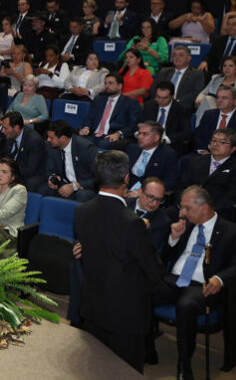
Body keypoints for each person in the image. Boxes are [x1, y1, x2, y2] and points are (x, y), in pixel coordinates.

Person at [73, 150, 164, 373]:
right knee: (126, 373)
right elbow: (154, 272)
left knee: (96, 370)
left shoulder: (81, 211)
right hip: (125, 316)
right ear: (126, 178)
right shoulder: (132, 223)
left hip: (93, 308)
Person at [152, 186, 236, 380]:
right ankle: (146, 347)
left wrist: (219, 278)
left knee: (185, 306)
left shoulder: (233, 231)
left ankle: (184, 365)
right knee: (143, 290)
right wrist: (173, 239)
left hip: (202, 283)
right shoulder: (185, 225)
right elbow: (166, 256)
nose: (182, 212)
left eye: (187, 208)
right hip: (175, 278)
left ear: (204, 208)